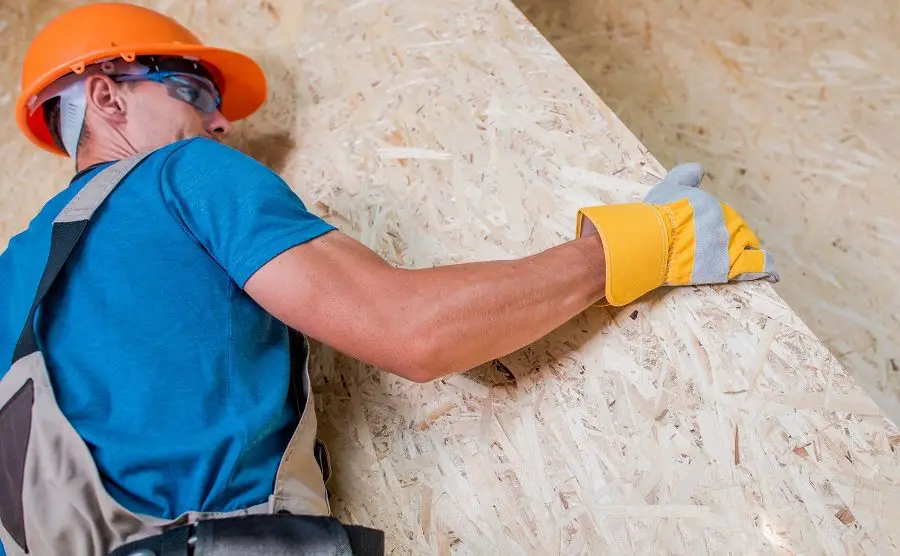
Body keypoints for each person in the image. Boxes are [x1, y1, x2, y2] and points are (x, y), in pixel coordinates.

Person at [0, 3, 778, 555]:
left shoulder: (9, 274)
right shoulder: (182, 177)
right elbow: (411, 332)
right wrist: (638, 244)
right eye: (195, 92)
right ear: (106, 95)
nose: (221, 122)